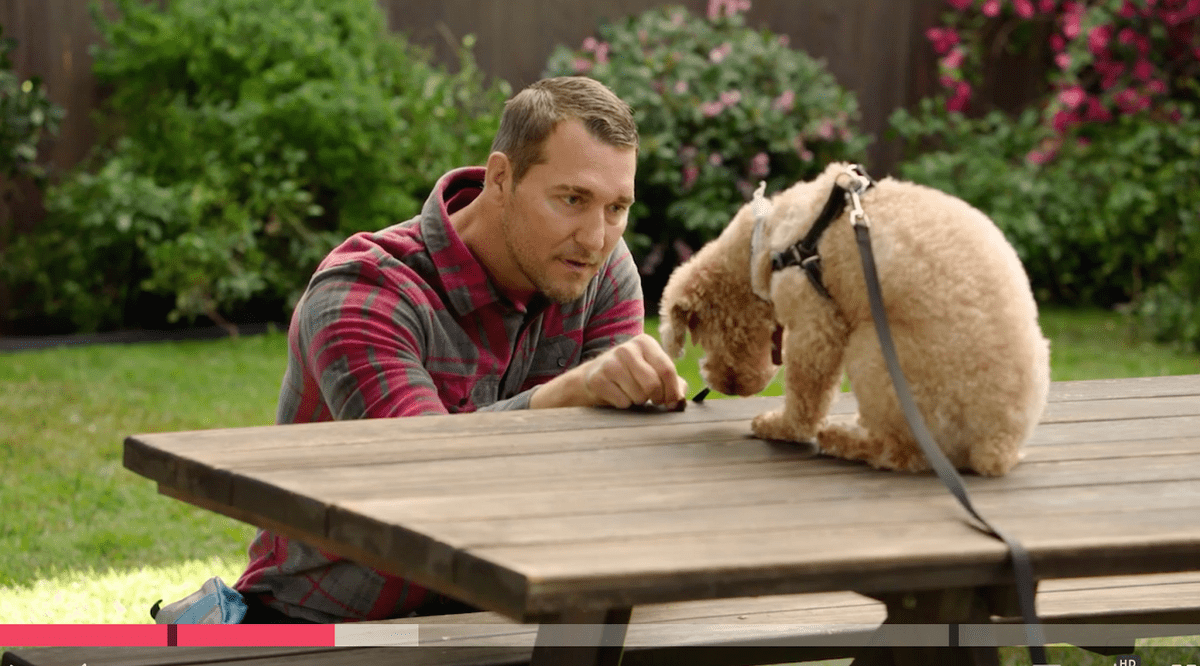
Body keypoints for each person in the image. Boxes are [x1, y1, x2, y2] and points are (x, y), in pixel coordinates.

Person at [231, 76, 688, 623]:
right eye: (572, 199)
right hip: (334, 627)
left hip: (506, 612)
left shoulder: (600, 271)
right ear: (502, 178)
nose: (595, 237)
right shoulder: (361, 293)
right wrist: (569, 396)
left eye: (617, 208)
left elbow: (611, 479)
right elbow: (430, 483)